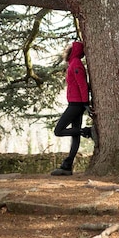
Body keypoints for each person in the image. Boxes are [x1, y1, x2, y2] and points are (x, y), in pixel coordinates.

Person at [50, 40, 91, 176]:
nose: (67, 50)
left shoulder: (76, 63)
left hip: (77, 104)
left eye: (70, 48)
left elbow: (82, 84)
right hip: (75, 103)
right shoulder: (73, 63)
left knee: (58, 130)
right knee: (75, 136)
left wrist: (85, 103)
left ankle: (87, 131)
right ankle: (67, 166)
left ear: (75, 50)